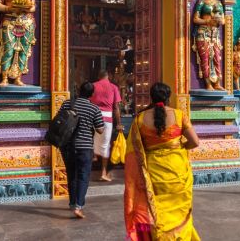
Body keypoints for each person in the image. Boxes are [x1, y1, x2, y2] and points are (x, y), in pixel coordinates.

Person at [123, 82, 201, 240]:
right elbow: (195, 142)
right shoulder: (180, 115)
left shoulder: (140, 119)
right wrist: (180, 147)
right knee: (180, 213)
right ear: (168, 97)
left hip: (153, 174)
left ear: (151, 97)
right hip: (177, 171)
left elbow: (134, 151)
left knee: (152, 211)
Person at [57, 81, 104, 218]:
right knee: (83, 176)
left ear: (78, 90)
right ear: (92, 94)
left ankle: (72, 203)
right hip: (85, 147)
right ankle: (78, 206)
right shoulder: (94, 109)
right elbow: (100, 130)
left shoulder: (67, 104)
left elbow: (59, 119)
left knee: (72, 175)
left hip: (67, 146)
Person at [91, 68, 123, 181]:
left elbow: (88, 102)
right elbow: (116, 108)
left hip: (93, 117)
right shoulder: (113, 87)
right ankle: (103, 173)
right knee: (105, 145)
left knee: (92, 141)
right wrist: (119, 124)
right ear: (108, 76)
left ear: (99, 77)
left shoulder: (93, 86)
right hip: (107, 119)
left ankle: (94, 157)